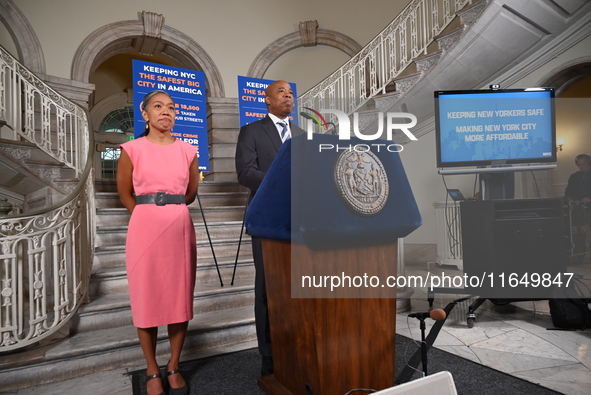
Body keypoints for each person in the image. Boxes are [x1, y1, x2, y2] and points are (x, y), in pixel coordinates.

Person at [117, 90, 199, 395]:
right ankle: (152, 368)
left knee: (179, 297)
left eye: (171, 107)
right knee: (146, 297)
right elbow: (125, 191)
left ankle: (174, 364)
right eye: (159, 106)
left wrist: (172, 209)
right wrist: (144, 215)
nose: (166, 111)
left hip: (179, 227)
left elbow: (190, 193)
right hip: (144, 228)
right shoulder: (131, 149)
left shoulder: (188, 151)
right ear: (145, 112)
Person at [235, 80, 305, 376]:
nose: (288, 96)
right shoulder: (252, 131)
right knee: (267, 288)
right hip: (266, 219)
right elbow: (245, 172)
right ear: (267, 100)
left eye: (291, 93)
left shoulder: (302, 134)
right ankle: (268, 352)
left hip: (302, 220)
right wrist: (283, 181)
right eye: (281, 92)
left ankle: (297, 344)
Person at [565, 154, 591, 255]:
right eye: (579, 165)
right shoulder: (574, 177)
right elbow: (568, 193)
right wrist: (571, 200)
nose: (581, 167)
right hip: (576, 209)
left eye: (583, 164)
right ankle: (578, 249)